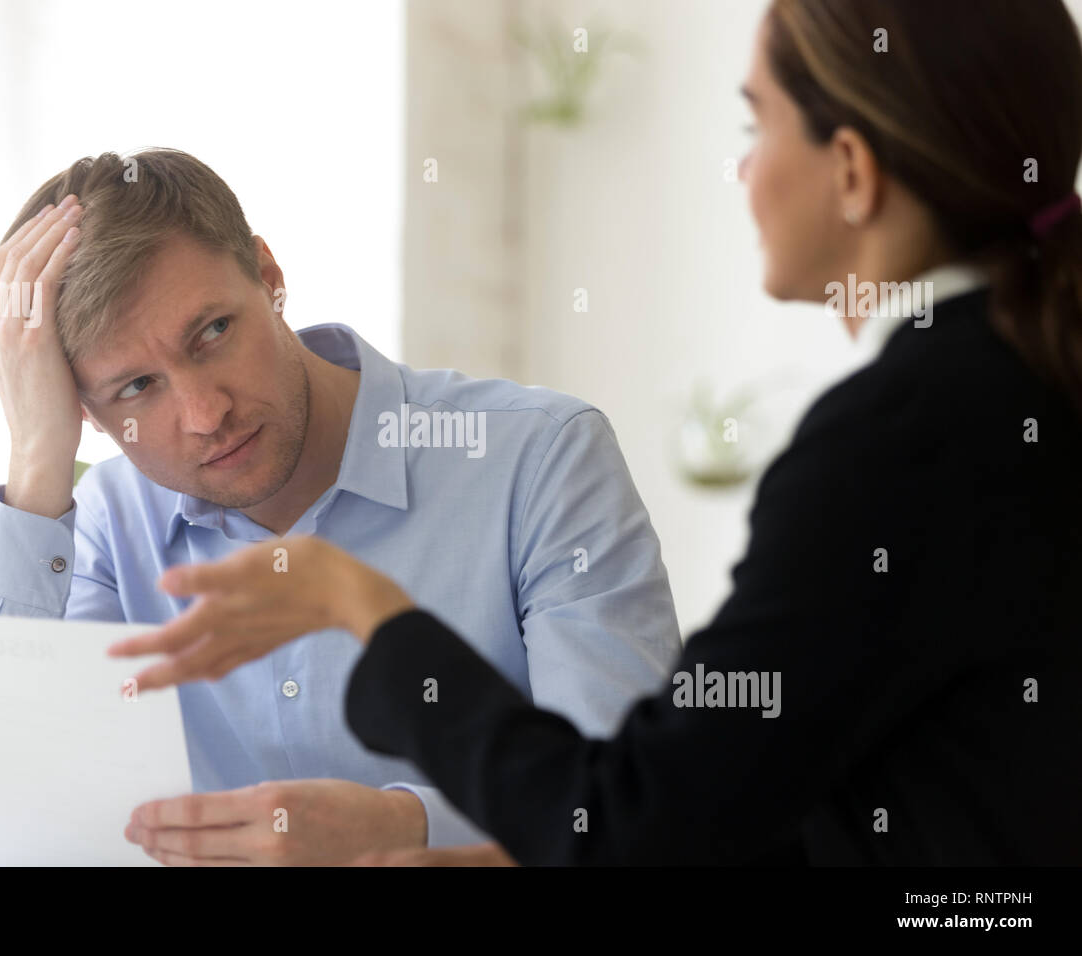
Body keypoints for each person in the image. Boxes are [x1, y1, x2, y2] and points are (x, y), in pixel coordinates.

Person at [112, 0, 1082, 865]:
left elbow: (631, 823)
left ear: (853, 172)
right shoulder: (1018, 389)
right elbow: (796, 792)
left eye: (756, 124)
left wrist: (362, 606)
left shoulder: (896, 439)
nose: (743, 169)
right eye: (134, 384)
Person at [0, 149, 681, 866]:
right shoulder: (102, 524)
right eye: (135, 388)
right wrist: (35, 460)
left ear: (268, 275)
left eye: (213, 332)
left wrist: (402, 830)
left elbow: (624, 815)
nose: (204, 412)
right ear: (87, 412)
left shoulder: (540, 459)